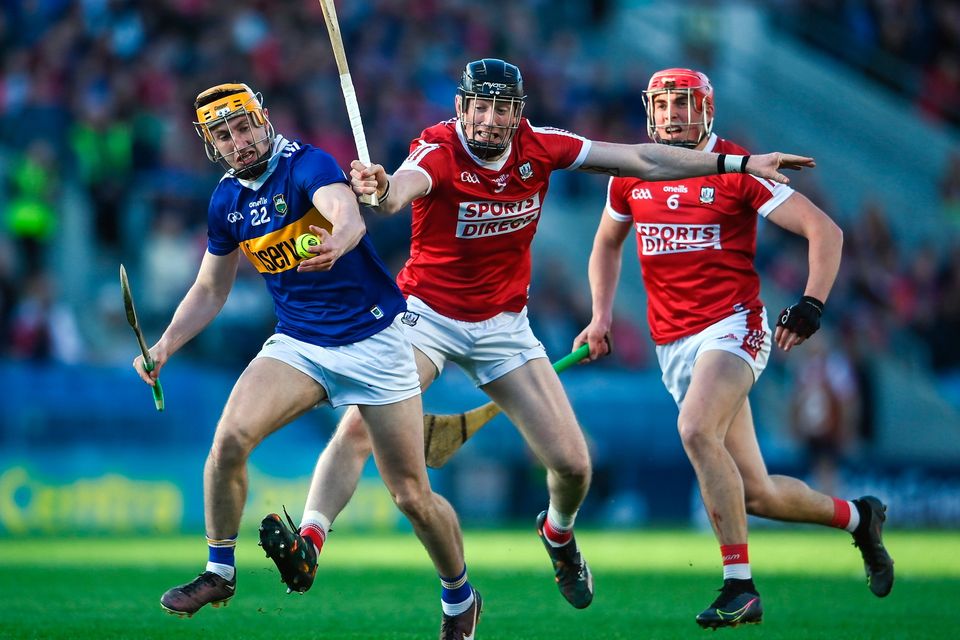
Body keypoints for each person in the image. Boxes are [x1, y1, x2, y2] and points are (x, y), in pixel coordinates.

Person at [256, 58, 816, 616]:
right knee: (360, 427)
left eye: (503, 107)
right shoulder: (438, 150)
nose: (492, 119)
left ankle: (558, 535)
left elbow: (642, 158)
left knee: (574, 468)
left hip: (505, 329)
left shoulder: (542, 145)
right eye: (481, 105)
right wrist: (379, 190)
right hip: (425, 316)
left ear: (517, 112)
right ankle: (311, 540)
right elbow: (400, 191)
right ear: (463, 108)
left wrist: (740, 162)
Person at [132, 82, 482, 638]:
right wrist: (165, 346)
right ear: (210, 144)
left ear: (263, 120)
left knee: (411, 495)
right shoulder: (226, 200)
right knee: (229, 441)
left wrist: (338, 241)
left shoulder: (306, 166)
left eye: (244, 127)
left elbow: (348, 215)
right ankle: (219, 570)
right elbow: (209, 289)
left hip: (376, 340)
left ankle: (460, 596)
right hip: (301, 344)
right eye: (224, 135)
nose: (238, 141)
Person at [573, 67, 895, 628]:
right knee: (758, 495)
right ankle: (859, 519)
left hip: (733, 328)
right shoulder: (631, 173)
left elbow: (827, 232)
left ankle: (739, 586)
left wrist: (812, 303)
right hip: (672, 344)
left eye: (684, 103)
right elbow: (605, 244)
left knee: (695, 429)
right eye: (663, 103)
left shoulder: (738, 169)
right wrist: (600, 315)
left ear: (706, 110)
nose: (672, 113)